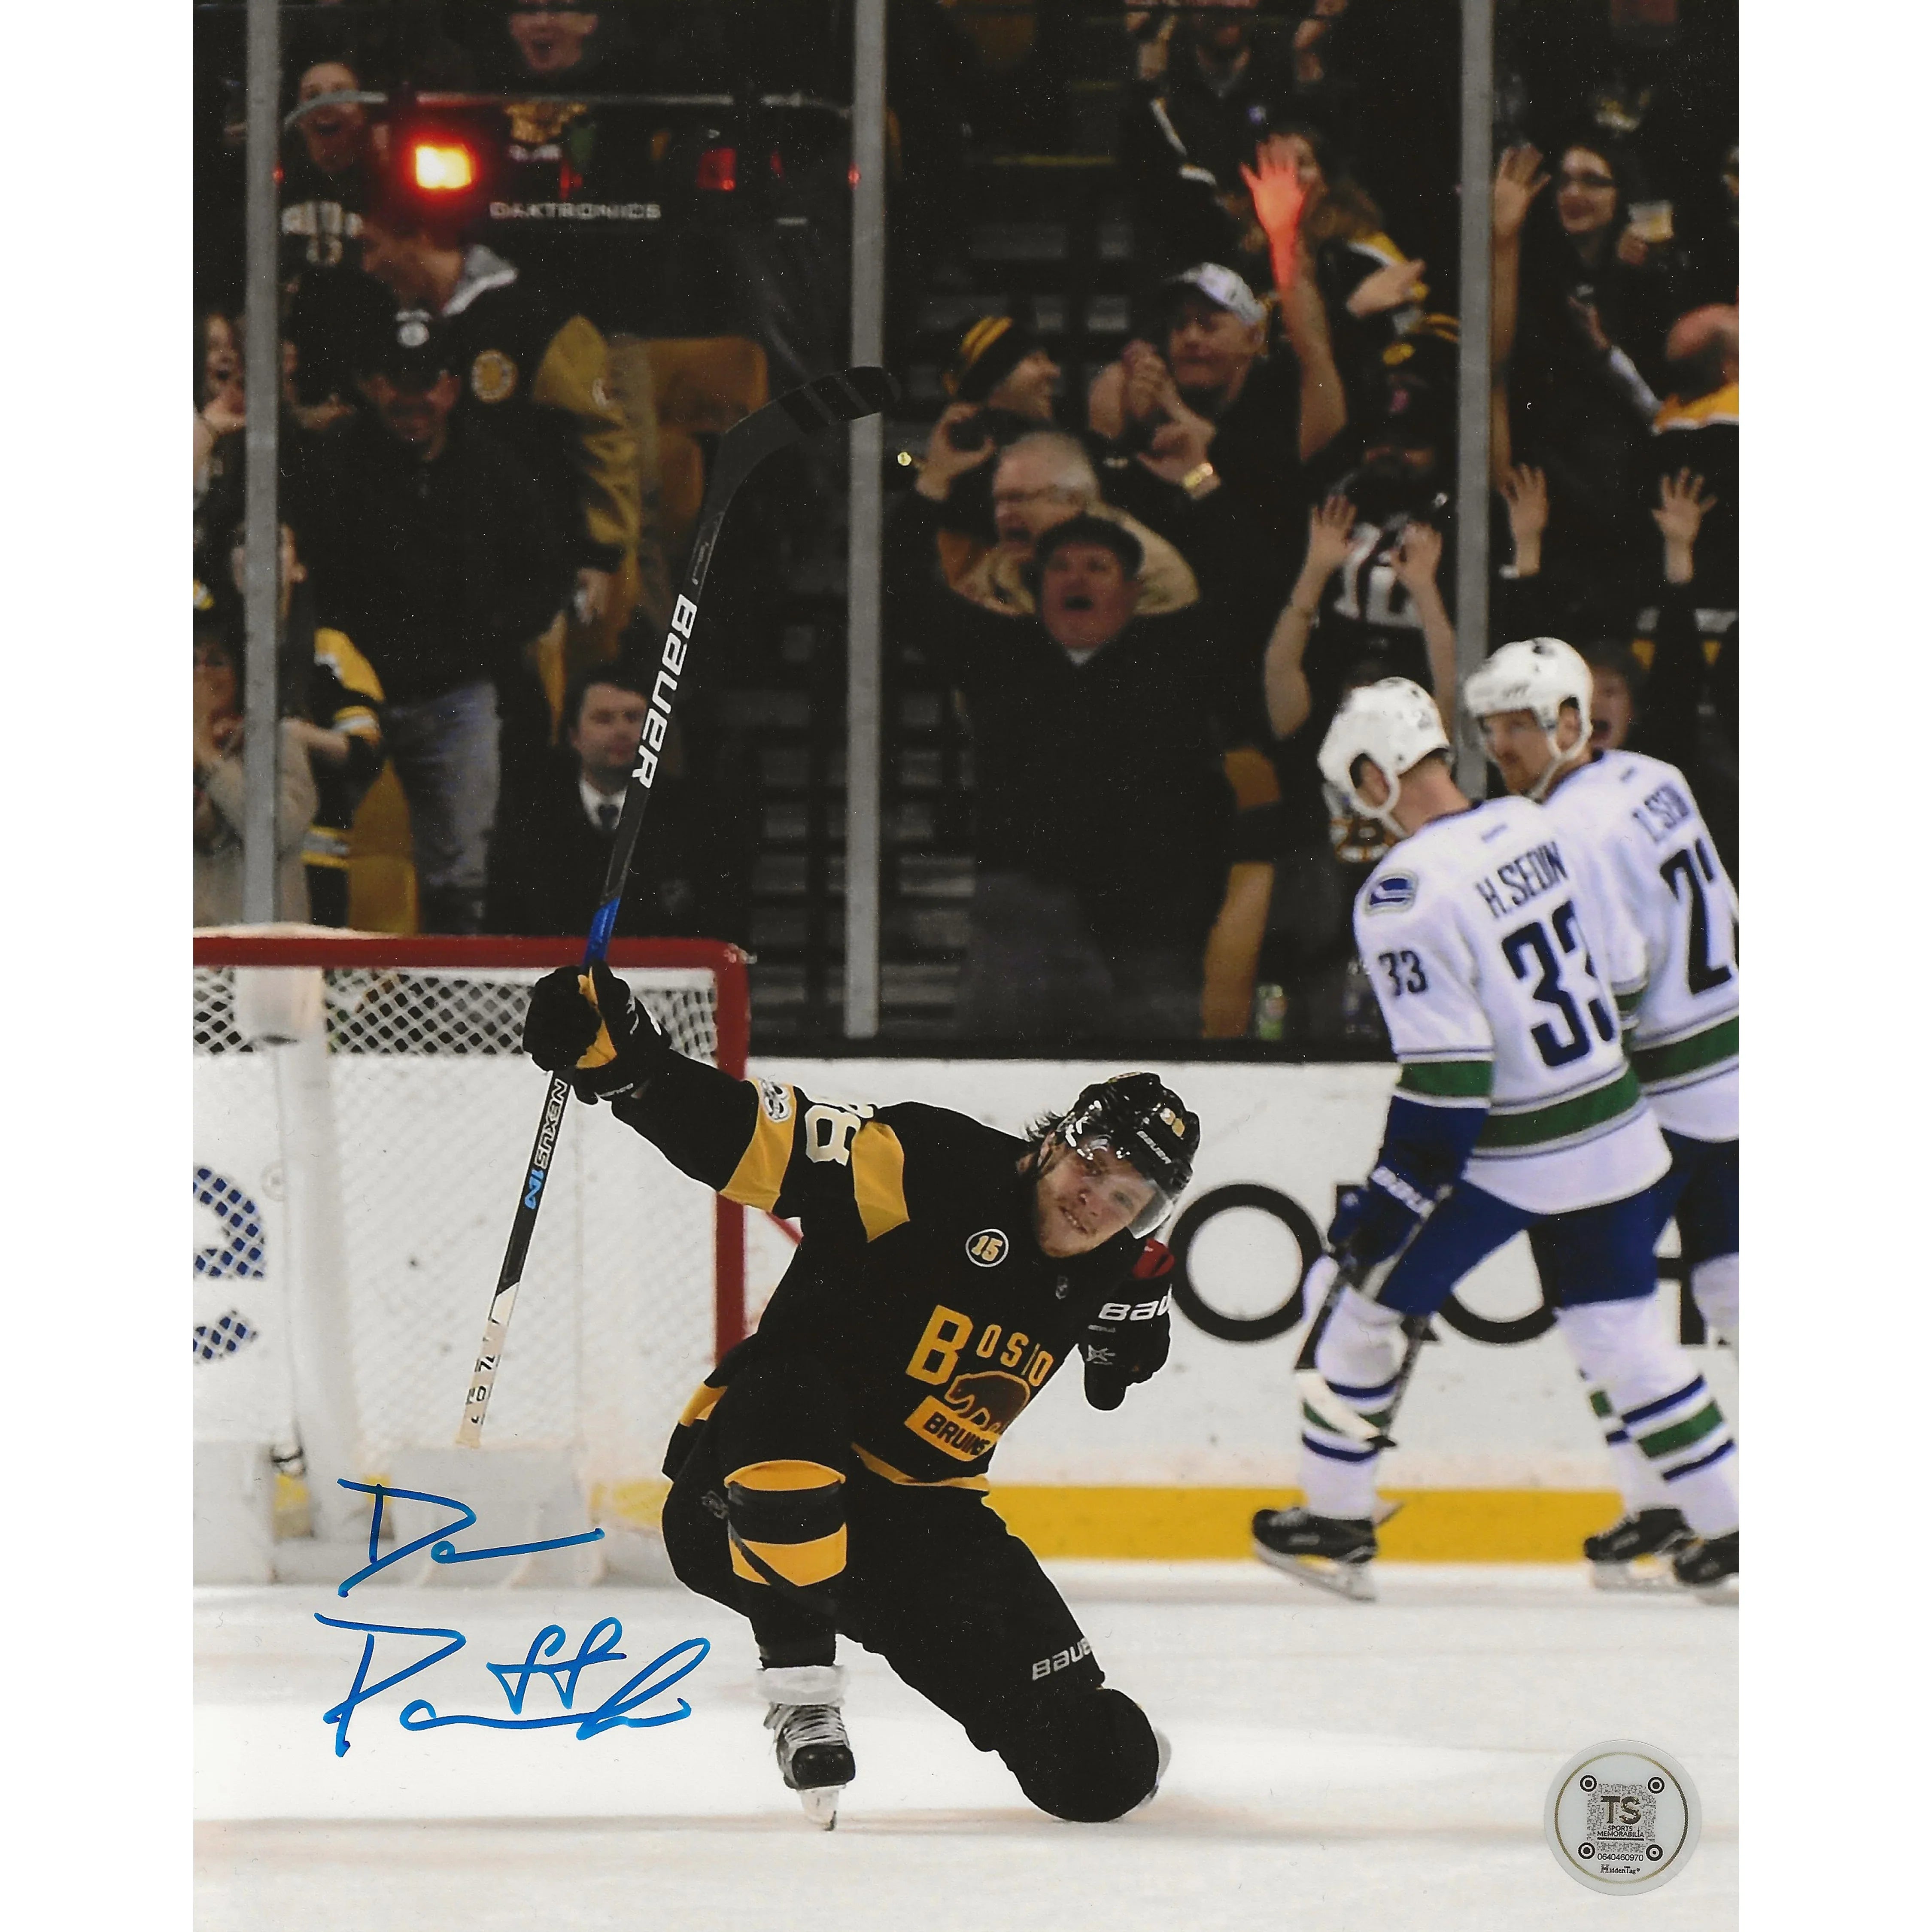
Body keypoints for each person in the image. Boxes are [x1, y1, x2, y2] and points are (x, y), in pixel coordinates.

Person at [519, 964, 1199, 1825]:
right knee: (791, 1377)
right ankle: (803, 1697)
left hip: (925, 1529)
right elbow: (750, 1138)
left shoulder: (1119, 1263)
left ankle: (1094, 1749)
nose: (1095, 1201)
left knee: (1097, 1771)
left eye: (1126, 1197)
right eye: (1092, 1166)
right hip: (747, 1488)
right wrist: (635, 1071)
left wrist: (1125, 1343)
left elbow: (1129, 1341)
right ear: (1057, 1140)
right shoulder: (927, 1163)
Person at [1249, 679, 1738, 1599]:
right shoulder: (1538, 826)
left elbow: (1450, 1086)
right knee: (1621, 1336)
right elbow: (1628, 965)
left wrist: (1386, 1210)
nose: (1356, 809)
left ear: (1374, 772)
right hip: (1624, 1133)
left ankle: (1336, 1523)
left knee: (1357, 1307)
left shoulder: (1403, 893)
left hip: (1515, 1157)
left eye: (1355, 787)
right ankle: (1733, 1524)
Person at [1464, 636, 1738, 1587]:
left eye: (1519, 726)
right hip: (1736, 1071)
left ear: (1571, 722)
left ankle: (1678, 1504)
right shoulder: (1652, 776)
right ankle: (1665, 1503)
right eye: (1492, 728)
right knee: (1732, 1290)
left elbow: (1616, 975)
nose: (1503, 745)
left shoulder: (1563, 830)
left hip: (1662, 1096)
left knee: (1597, 1303)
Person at [890, 511, 1270, 1044]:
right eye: (1061, 567)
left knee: (1152, 1089)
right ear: (1038, 586)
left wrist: (1198, 489)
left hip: (1150, 932)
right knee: (990, 1085)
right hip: (1019, 929)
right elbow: (898, 590)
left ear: (1136, 590)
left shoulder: (1176, 655)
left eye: (1098, 567)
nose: (1077, 579)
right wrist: (930, 491)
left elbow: (1254, 588)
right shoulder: (998, 652)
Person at [300, 317, 570, 932]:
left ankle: (455, 1014)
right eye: (394, 382)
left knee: (461, 871)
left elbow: (544, 571)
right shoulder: (335, 463)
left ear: (452, 387)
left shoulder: (494, 467)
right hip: (349, 695)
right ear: (372, 384)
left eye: (426, 382)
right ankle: (326, 1002)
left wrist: (492, 633)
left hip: (458, 695)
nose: (410, 399)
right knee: (316, 852)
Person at [356, 173, 648, 674]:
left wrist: (599, 555)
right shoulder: (409, 328)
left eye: (372, 247)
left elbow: (605, 439)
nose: (368, 266)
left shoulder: (535, 318)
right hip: (455, 577)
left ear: (419, 237)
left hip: (539, 574)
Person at [487, 664, 753, 944]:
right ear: (574, 736)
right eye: (604, 719)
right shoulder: (530, 816)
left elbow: (723, 929)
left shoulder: (699, 816)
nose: (621, 731)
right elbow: (505, 924)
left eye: (634, 718)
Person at [223, 523, 389, 929]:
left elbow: (366, 752)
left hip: (314, 863)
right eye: (243, 541)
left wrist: (295, 735)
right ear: (231, 567)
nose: (258, 551)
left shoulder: (329, 649)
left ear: (300, 569)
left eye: (276, 542)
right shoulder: (209, 654)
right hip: (221, 862)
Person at [901, 428, 1199, 620]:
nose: (1004, 514)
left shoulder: (1150, 574)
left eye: (1019, 499)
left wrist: (1009, 635)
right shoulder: (998, 573)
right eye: (1000, 501)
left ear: (1073, 501)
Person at [193, 621, 317, 928]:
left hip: (265, 952)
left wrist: (210, 759)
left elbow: (280, 829)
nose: (200, 674)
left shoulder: (276, 743)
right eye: (190, 661)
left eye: (216, 662)